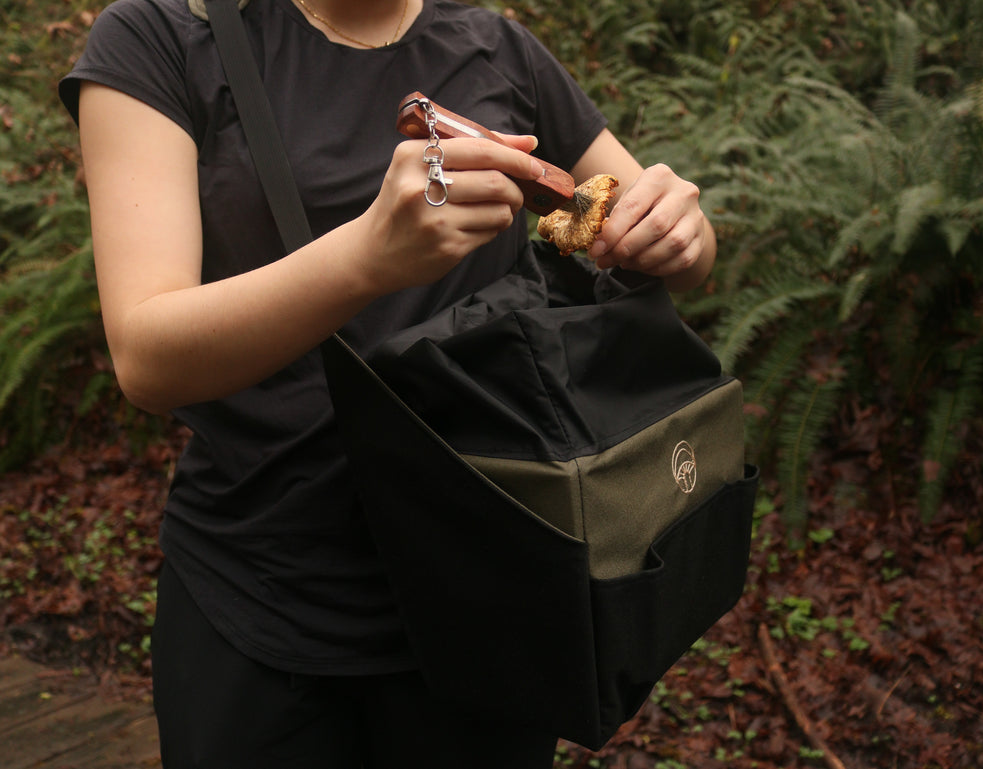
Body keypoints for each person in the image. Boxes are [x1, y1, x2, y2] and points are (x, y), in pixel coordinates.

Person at [59, 0, 717, 766]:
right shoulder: (163, 36)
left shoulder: (495, 45)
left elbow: (669, 245)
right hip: (260, 596)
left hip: (495, 587)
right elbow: (146, 356)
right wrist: (369, 254)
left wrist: (682, 232)